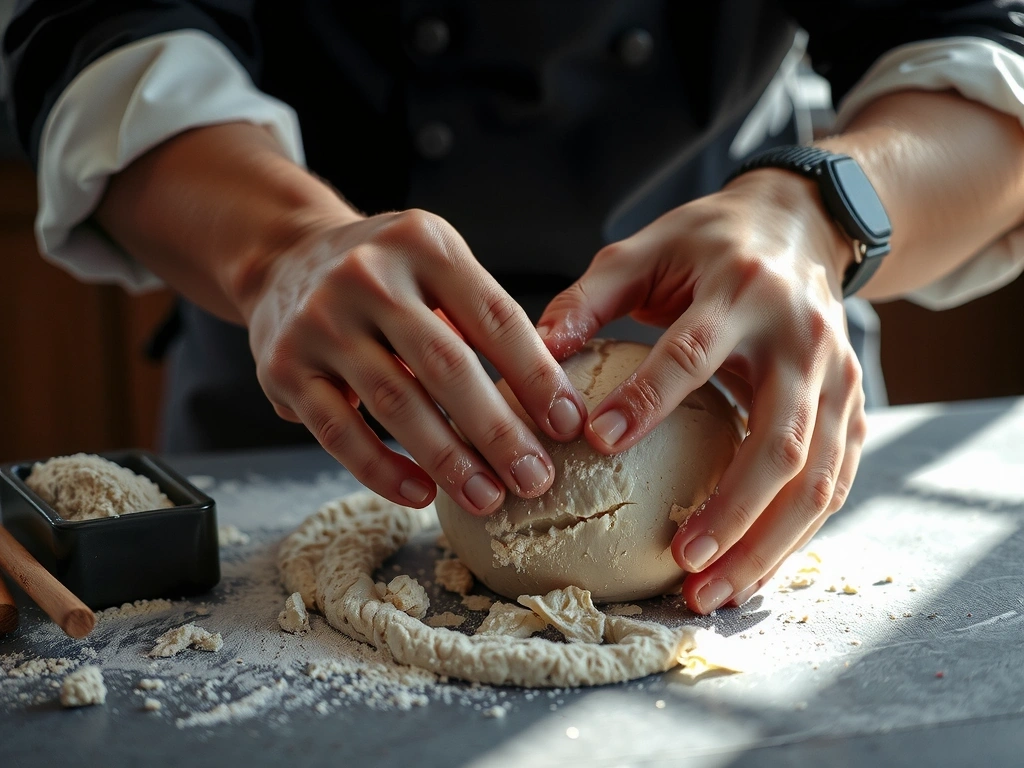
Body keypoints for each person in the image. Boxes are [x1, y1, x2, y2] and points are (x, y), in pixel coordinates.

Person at [5, 2, 1024, 614]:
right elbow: (98, 33)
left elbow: (983, 44)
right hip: (313, 405)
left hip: (755, 380)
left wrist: (817, 212)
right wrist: (276, 247)